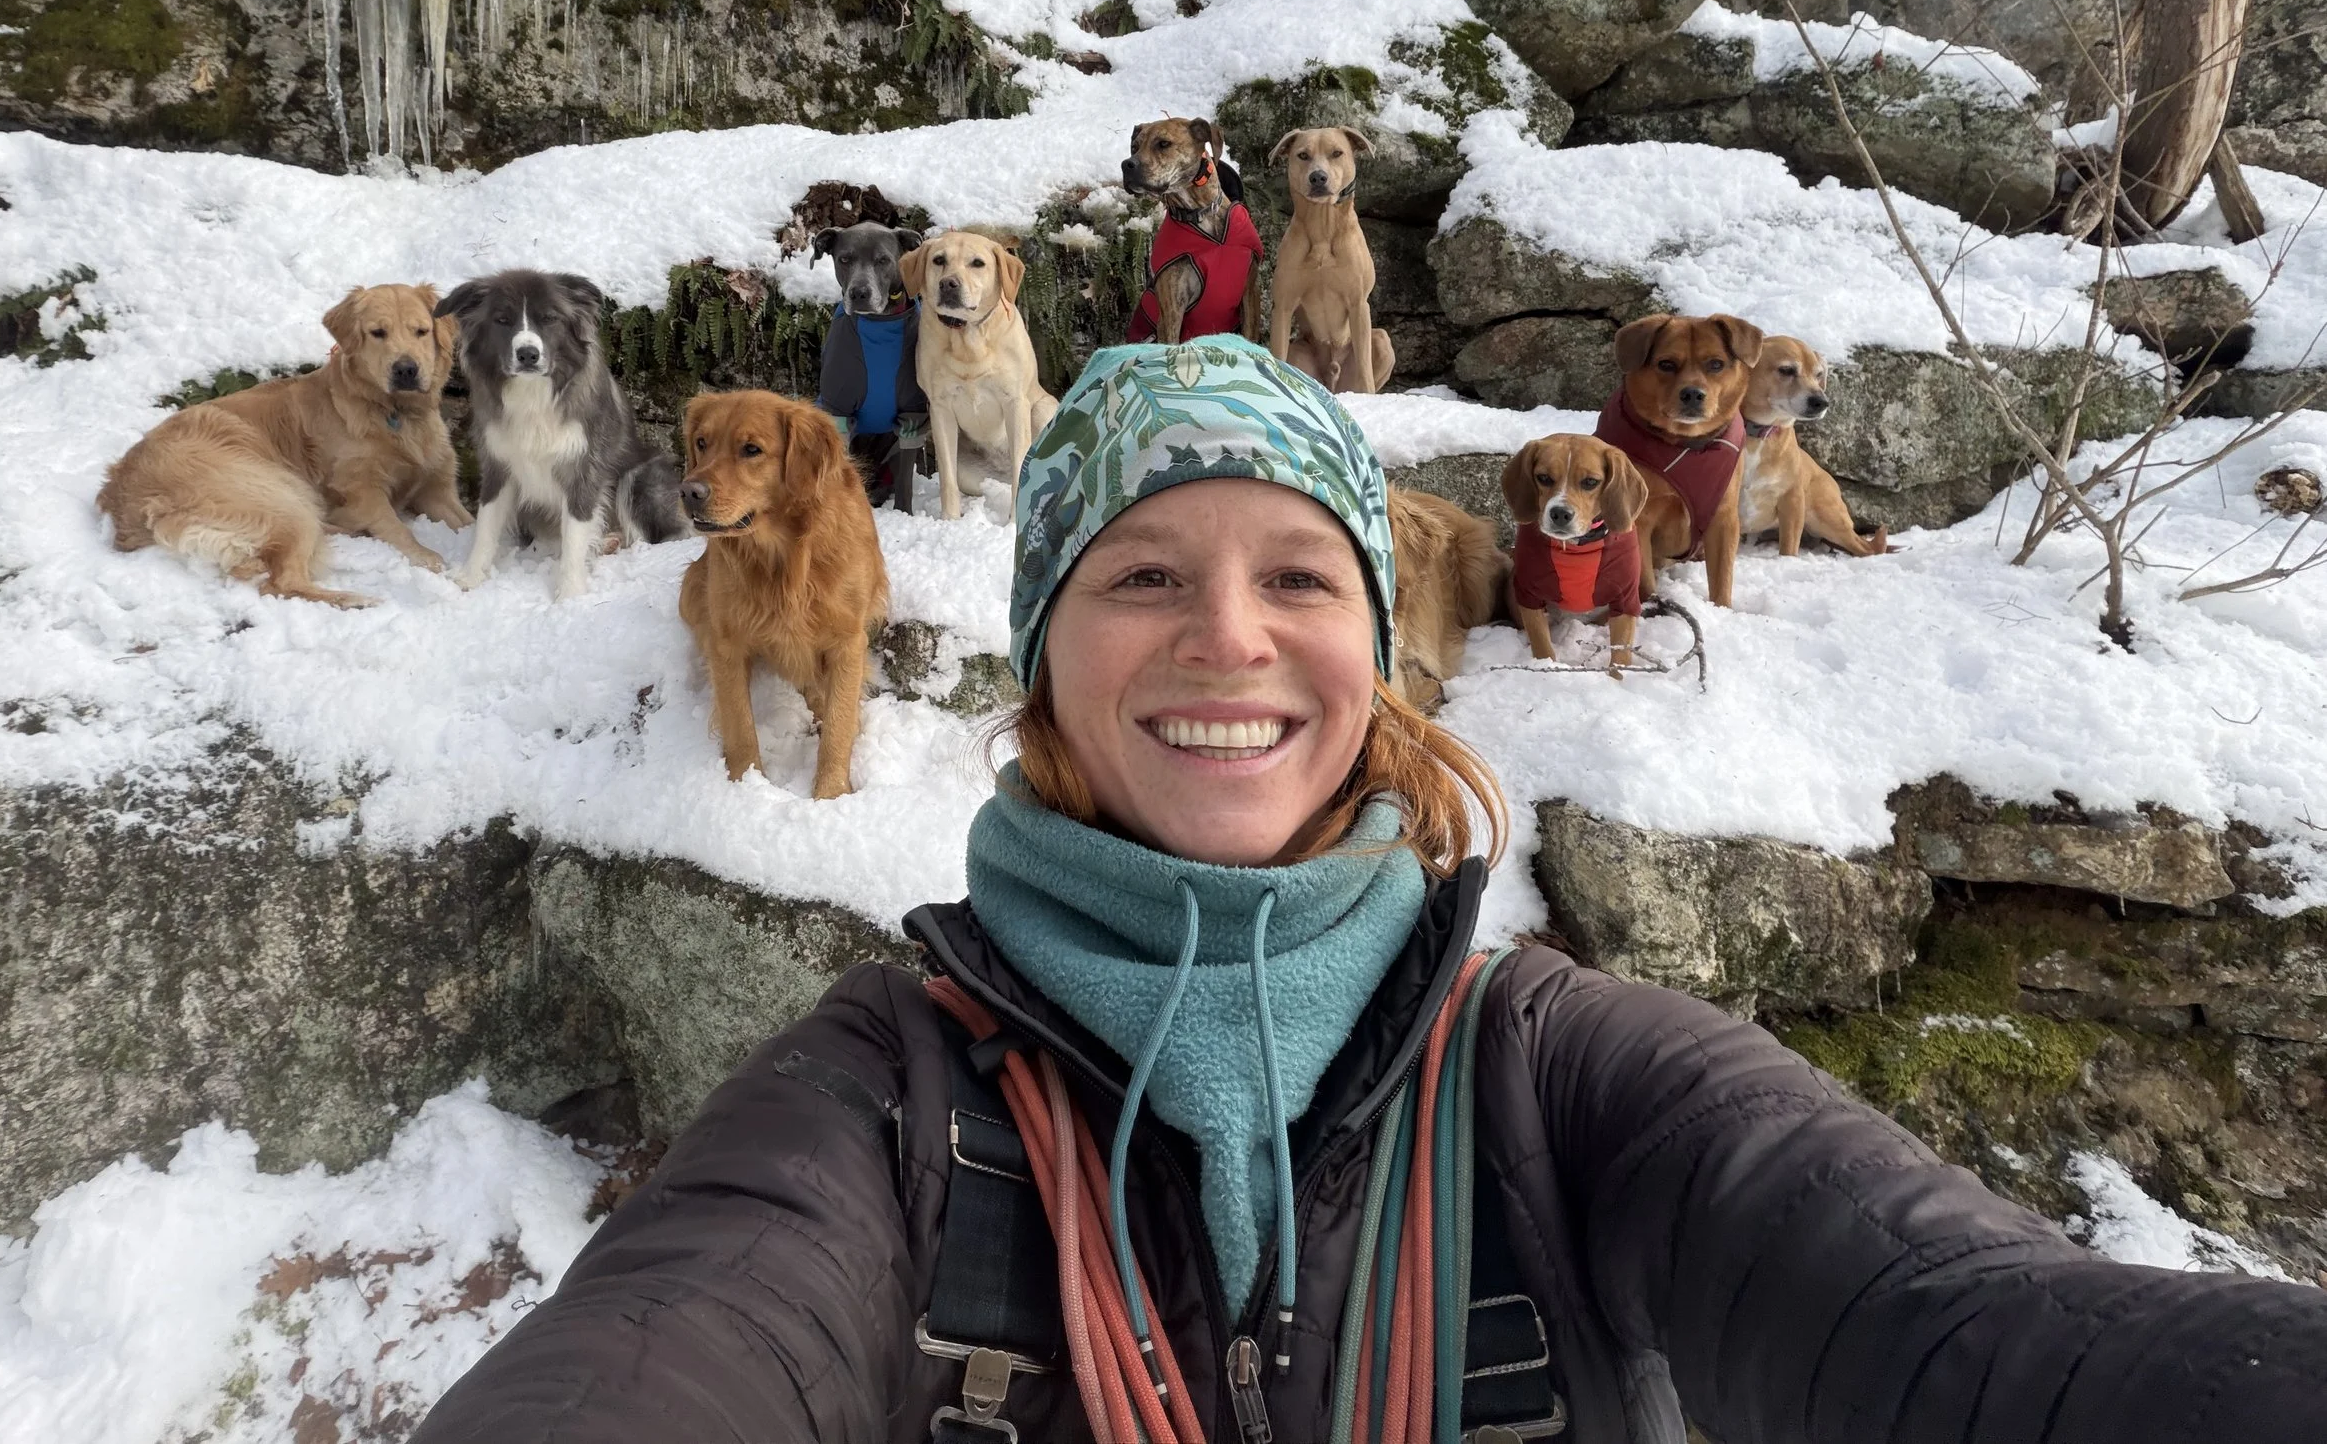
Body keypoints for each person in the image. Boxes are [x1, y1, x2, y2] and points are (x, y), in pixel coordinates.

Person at [414, 337, 2327, 1444]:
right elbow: (672, 1341)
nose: (1228, 638)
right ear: (1044, 658)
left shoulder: (1564, 1077)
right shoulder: (882, 1095)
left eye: (1298, 576)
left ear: (1376, 642)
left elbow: (1957, 1320)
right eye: (1142, 574)